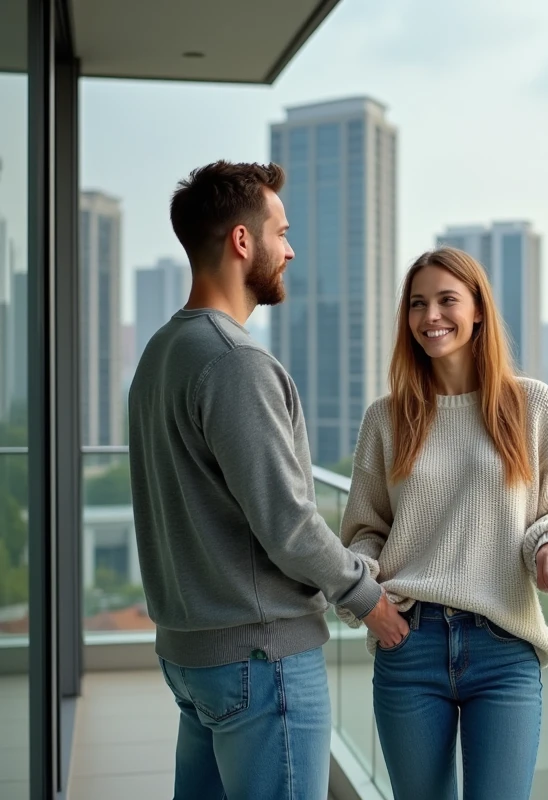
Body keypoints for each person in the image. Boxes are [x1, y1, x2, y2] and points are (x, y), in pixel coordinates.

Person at [128, 160, 408, 800]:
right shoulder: (236, 363)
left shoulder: (161, 353)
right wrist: (369, 601)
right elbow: (288, 520)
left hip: (195, 657)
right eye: (281, 231)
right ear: (241, 241)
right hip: (261, 661)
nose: (290, 248)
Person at [336, 246, 548, 800]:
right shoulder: (386, 417)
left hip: (504, 643)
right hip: (410, 641)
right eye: (418, 304)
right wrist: (371, 599)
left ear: (478, 311)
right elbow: (364, 529)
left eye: (447, 300)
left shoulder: (531, 405)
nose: (432, 316)